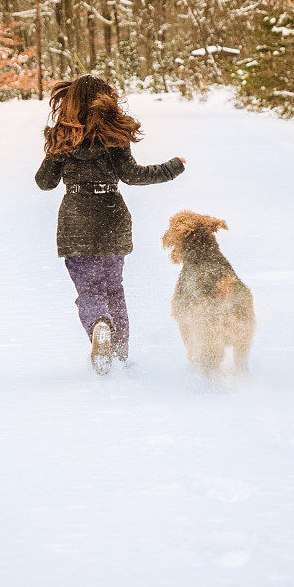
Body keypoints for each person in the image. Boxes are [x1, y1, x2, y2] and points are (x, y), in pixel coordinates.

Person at [35, 74, 185, 374]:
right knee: (114, 289)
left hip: (76, 222)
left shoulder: (62, 138)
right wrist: (173, 167)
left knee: (90, 290)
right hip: (112, 218)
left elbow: (44, 182)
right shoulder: (114, 136)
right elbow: (133, 175)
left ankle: (99, 326)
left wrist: (54, 150)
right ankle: (119, 355)